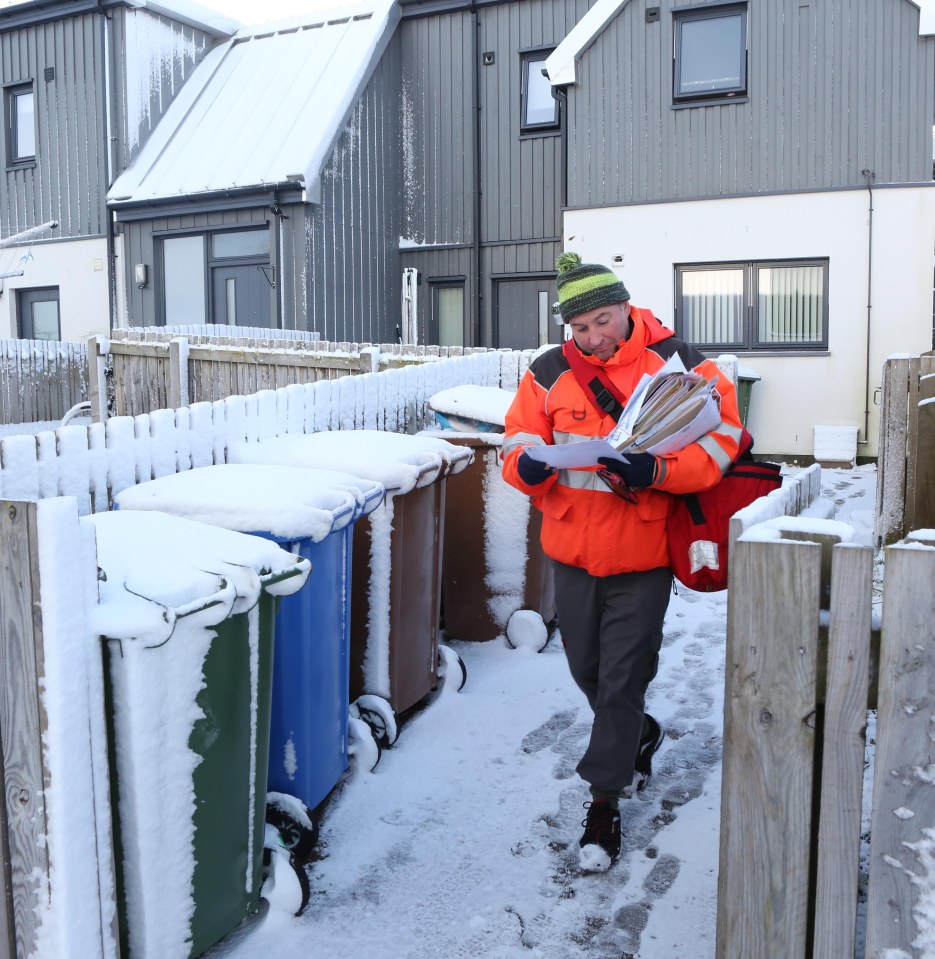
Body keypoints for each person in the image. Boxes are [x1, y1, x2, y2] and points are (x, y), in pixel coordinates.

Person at [501, 251, 744, 873]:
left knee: (620, 681)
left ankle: (603, 803)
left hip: (643, 553)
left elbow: (724, 442)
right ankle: (638, 735)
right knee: (588, 671)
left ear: (626, 308)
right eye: (580, 328)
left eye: (603, 321)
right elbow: (519, 438)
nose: (593, 338)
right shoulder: (547, 371)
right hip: (572, 552)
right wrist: (524, 466)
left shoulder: (683, 363)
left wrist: (659, 469)